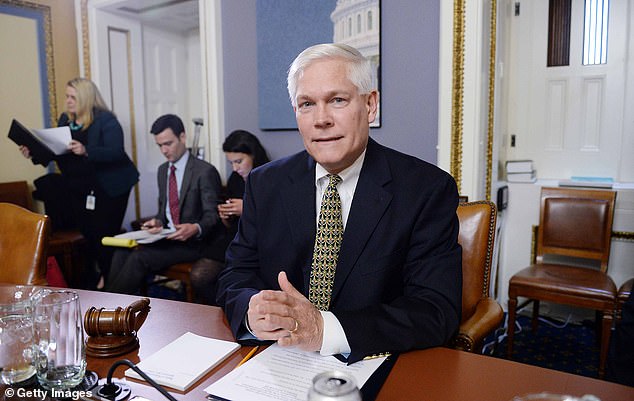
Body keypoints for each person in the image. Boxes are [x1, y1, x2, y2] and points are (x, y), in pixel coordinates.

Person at [216, 43, 462, 363]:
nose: (321, 119)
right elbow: (234, 276)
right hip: (276, 362)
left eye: (337, 100)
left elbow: (434, 309)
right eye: (307, 103)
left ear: (370, 105)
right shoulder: (265, 183)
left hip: (374, 363)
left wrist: (323, 329)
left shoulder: (426, 189)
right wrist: (252, 310)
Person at [19, 77, 139, 288]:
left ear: (85, 98)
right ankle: (103, 277)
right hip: (85, 187)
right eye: (67, 96)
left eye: (73, 97)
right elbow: (57, 151)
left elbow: (116, 152)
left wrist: (86, 150)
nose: (68, 101)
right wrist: (34, 153)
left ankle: (110, 282)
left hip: (112, 187)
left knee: (104, 233)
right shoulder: (66, 119)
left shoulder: (106, 120)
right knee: (89, 232)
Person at [106, 114, 222, 294]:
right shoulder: (163, 171)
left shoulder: (204, 171)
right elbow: (163, 212)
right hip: (167, 237)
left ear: (182, 137)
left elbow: (213, 216)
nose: (164, 150)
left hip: (194, 243)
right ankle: (108, 308)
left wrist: (195, 227)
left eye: (168, 144)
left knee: (139, 258)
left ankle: (108, 309)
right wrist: (157, 222)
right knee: (121, 251)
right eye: (160, 145)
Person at [190, 129, 270, 304]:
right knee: (200, 274)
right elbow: (229, 226)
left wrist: (246, 209)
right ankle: (226, 310)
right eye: (231, 163)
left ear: (253, 156)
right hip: (234, 237)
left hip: (263, 242)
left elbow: (276, 220)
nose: (235, 168)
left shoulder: (270, 177)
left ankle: (237, 310)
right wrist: (226, 215)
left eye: (239, 161)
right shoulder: (235, 179)